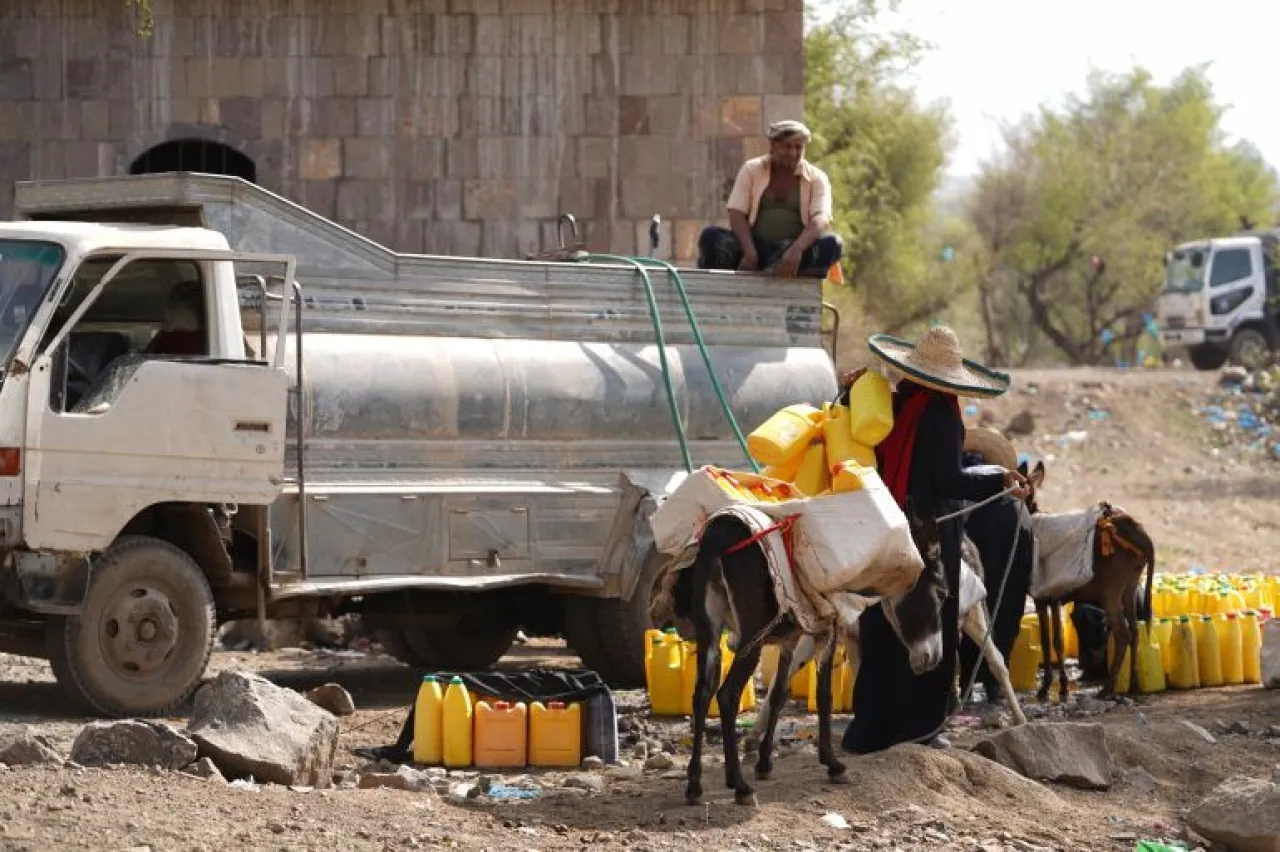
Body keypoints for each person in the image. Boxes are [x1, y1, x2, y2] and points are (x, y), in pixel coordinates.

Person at [839, 326, 1030, 754]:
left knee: (881, 626)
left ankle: (871, 729)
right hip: (926, 535)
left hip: (883, 528)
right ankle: (919, 728)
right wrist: (1000, 481)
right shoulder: (941, 414)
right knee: (927, 623)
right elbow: (949, 479)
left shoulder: (892, 399)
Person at [697, 120, 844, 279]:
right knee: (711, 236)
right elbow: (736, 212)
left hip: (790, 250)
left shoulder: (817, 178)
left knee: (832, 244)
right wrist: (749, 252)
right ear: (773, 145)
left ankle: (783, 274)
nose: (793, 153)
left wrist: (797, 249)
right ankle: (720, 286)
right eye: (787, 147)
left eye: (798, 148)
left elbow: (821, 218)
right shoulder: (752, 169)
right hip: (752, 247)